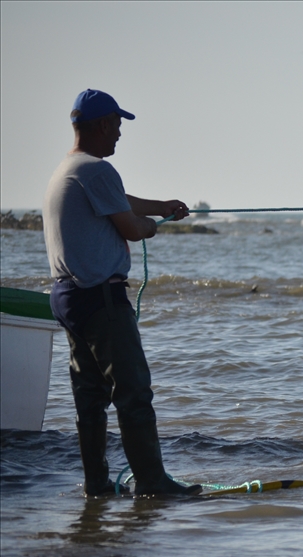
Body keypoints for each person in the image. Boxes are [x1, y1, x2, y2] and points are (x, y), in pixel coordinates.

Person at [42, 89, 201, 496]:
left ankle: (96, 485)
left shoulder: (68, 169)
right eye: (115, 125)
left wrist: (159, 206)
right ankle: (152, 483)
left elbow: (119, 202)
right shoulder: (96, 170)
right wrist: (149, 226)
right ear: (98, 125)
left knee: (90, 398)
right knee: (133, 392)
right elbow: (130, 226)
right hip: (101, 300)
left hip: (70, 299)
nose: (119, 134)